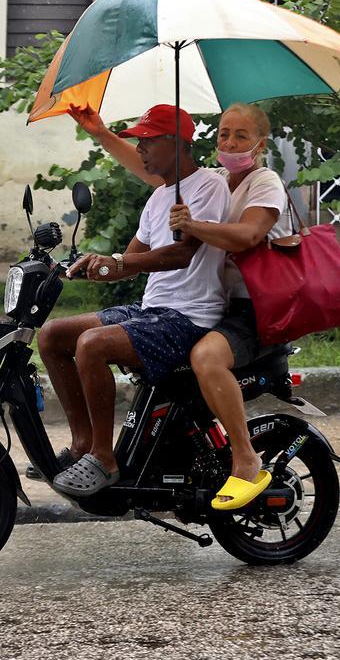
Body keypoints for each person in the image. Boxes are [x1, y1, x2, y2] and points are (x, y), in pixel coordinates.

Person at [68, 100, 290, 511]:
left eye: (241, 135)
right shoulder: (216, 180)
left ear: (260, 144)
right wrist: (101, 133)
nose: (229, 142)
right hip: (219, 304)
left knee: (206, 357)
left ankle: (245, 458)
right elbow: (152, 169)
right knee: (61, 334)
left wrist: (190, 225)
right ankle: (89, 449)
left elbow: (247, 236)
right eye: (224, 134)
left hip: (256, 308)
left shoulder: (264, 182)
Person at [38, 104, 231, 497]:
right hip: (151, 312)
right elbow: (129, 261)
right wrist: (92, 265)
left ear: (176, 143)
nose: (140, 150)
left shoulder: (209, 186)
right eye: (138, 142)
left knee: (92, 344)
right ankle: (83, 445)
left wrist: (121, 262)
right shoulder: (159, 197)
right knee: (53, 335)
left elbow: (182, 254)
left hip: (188, 318)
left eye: (147, 141)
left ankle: (105, 459)